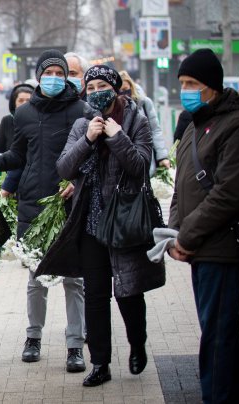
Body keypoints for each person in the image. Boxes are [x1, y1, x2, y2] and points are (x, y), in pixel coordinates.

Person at [34, 64, 166, 387]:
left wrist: (117, 137)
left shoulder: (136, 121)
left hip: (124, 222)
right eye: (89, 88)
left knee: (128, 292)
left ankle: (137, 345)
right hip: (91, 223)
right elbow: (64, 168)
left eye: (100, 87)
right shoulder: (82, 125)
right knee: (95, 295)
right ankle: (100, 363)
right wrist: (89, 140)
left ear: (115, 88)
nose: (95, 93)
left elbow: (138, 166)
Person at [0, 50, 87, 373]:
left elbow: (93, 154)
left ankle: (75, 345)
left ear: (66, 76)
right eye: (48, 72)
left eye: (59, 72)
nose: (53, 77)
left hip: (67, 204)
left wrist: (77, 181)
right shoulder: (24, 114)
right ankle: (33, 338)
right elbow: (19, 154)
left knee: (73, 278)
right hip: (33, 205)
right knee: (35, 277)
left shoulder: (82, 110)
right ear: (38, 76)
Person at [167, 48, 239, 403]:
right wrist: (173, 233)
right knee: (214, 330)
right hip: (199, 247)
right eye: (182, 82)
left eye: (193, 83)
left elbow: (229, 193)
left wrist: (188, 234)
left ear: (212, 86)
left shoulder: (235, 125)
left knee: (217, 334)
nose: (186, 89)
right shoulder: (193, 125)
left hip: (222, 247)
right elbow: (181, 187)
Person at [119, 71, 171, 175]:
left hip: (146, 160)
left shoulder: (144, 103)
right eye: (119, 91)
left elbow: (155, 130)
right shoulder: (113, 108)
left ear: (131, 86)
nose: (123, 93)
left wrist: (162, 156)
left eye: (125, 89)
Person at [0, 83, 34, 194]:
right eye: (20, 100)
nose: (24, 104)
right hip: (8, 181)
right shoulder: (7, 121)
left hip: (31, 180)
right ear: (14, 103)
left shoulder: (38, 122)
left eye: (28, 101)